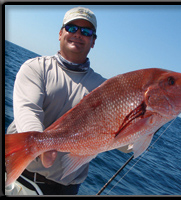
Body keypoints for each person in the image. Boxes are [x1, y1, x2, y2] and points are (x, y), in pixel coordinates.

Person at [6, 7, 106, 195]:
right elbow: (28, 109)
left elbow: (123, 140)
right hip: (20, 179)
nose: (78, 34)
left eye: (86, 32)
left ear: (93, 41)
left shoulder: (103, 87)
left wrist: (149, 123)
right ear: (60, 33)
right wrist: (41, 144)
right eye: (72, 28)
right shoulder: (36, 68)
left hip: (66, 190)